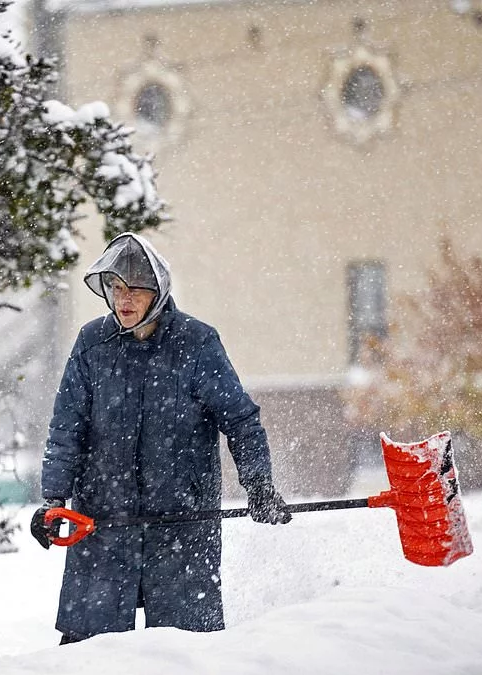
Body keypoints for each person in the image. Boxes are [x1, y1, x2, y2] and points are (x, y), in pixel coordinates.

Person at [31, 232, 292, 642]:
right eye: (117, 288)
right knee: (87, 655)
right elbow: (67, 429)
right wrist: (53, 500)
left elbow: (241, 420)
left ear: (159, 292)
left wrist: (258, 484)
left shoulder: (197, 343)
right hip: (103, 524)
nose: (124, 300)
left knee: (184, 653)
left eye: (136, 289)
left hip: (181, 529)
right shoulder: (92, 344)